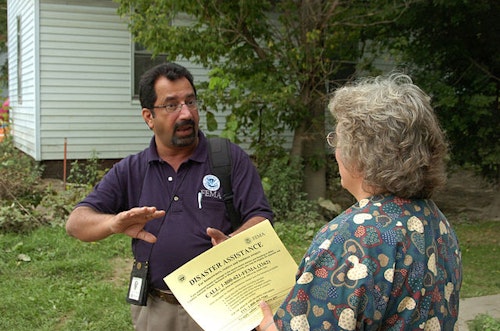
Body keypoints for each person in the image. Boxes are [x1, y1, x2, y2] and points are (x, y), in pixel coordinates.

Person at [66, 62, 273, 331]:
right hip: (158, 309)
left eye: (190, 101)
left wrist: (232, 244)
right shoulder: (132, 169)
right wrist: (114, 223)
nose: (186, 113)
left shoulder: (227, 158)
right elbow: (76, 223)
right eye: (171, 105)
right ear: (149, 117)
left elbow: (261, 216)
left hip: (224, 305)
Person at [257, 73, 462, 331]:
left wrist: (267, 327)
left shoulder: (353, 237)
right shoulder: (435, 220)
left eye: (338, 139)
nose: (335, 151)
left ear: (362, 153)